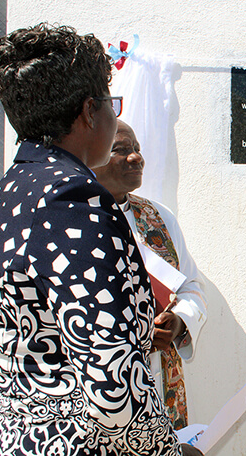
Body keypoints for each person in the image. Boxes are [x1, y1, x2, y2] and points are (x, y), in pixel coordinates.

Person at [0, 23, 200, 455]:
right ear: (91, 111)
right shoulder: (74, 198)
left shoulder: (11, 190)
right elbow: (111, 381)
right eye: (111, 103)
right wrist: (169, 451)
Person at [94, 120, 208, 431]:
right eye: (121, 150)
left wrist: (179, 321)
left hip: (159, 379)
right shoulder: (76, 219)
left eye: (137, 149)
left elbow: (191, 288)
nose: (136, 158)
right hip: (106, 390)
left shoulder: (158, 218)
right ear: (92, 157)